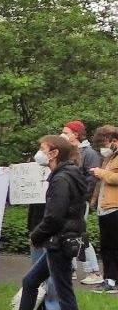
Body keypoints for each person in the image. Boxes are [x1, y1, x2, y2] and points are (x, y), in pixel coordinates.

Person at [9, 135, 87, 310]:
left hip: (59, 242)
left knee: (64, 293)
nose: (40, 153)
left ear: (54, 153)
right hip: (60, 240)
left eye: (43, 149)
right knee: (30, 281)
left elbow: (54, 216)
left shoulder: (61, 179)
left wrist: (36, 236)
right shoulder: (66, 174)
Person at [63, 120, 103, 285]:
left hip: (79, 201)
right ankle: (69, 269)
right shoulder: (69, 152)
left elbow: (90, 180)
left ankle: (94, 271)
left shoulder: (89, 154)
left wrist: (79, 197)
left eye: (66, 132)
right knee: (67, 234)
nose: (63, 135)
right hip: (67, 201)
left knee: (80, 235)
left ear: (76, 134)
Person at [88, 125, 118, 294]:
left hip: (115, 208)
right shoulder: (109, 159)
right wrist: (93, 200)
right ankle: (112, 279)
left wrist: (102, 173)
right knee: (107, 246)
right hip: (104, 208)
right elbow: (102, 182)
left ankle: (110, 280)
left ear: (114, 140)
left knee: (111, 247)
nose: (104, 147)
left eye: (105, 142)